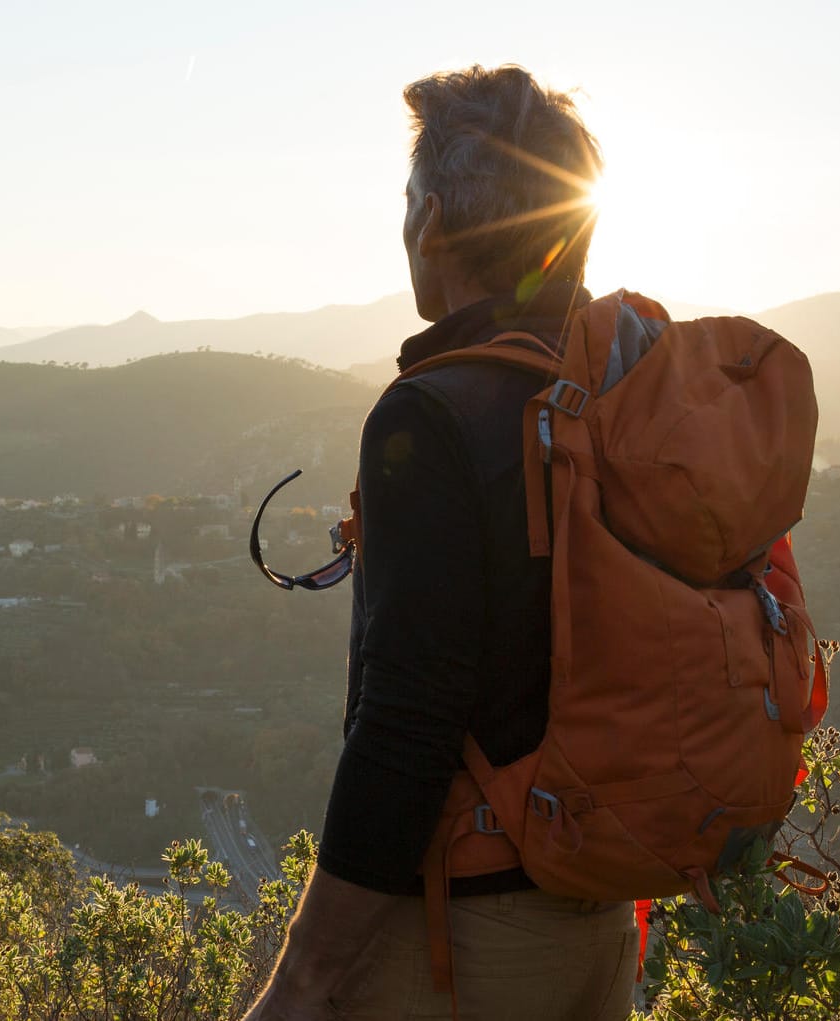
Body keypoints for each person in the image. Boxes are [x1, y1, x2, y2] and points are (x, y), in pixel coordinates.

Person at [243, 65, 638, 1021]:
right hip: (598, 930)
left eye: (409, 203)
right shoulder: (613, 392)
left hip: (466, 942)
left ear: (435, 222)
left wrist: (302, 977)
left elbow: (408, 722)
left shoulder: (430, 414)